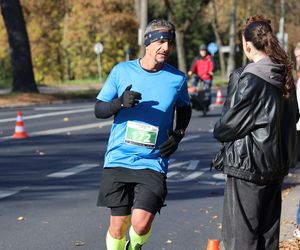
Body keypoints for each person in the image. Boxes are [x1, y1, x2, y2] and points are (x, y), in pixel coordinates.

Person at [94, 18, 191, 250]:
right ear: (147, 42)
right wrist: (119, 103)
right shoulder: (122, 71)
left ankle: (135, 247)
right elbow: (99, 110)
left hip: (152, 161)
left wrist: (178, 134)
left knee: (140, 224)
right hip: (119, 158)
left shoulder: (176, 79)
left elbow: (185, 108)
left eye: (169, 42)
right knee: (117, 226)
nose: (165, 47)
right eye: (160, 41)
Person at [213, 15, 299, 250]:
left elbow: (228, 126)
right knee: (267, 237)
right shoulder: (284, 74)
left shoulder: (251, 77)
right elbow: (295, 116)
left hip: (247, 166)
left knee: (241, 238)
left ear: (248, 45)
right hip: (276, 166)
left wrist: (218, 128)